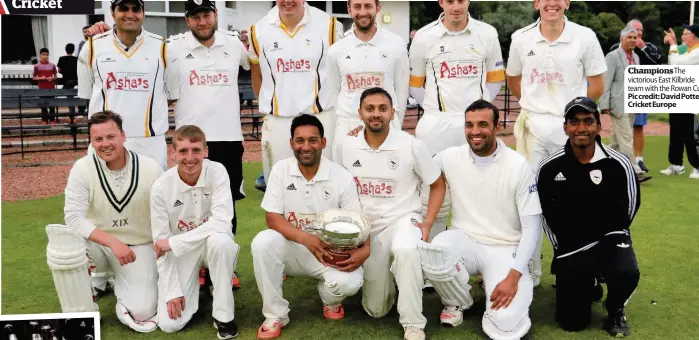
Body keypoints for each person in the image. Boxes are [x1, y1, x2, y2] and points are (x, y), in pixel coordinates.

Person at [416, 99, 541, 340]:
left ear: (497, 126)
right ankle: (458, 301)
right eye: (469, 125)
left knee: (505, 325)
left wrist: (514, 276)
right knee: (437, 249)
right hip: (466, 240)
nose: (475, 131)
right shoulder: (450, 156)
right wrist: (366, 132)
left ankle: (496, 287)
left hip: (505, 248)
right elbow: (416, 158)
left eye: (483, 124)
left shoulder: (518, 166)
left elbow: (532, 226)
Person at [506, 0, 607, 286]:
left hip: (572, 129)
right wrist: (537, 106)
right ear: (536, 3)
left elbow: (596, 84)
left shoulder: (584, 36)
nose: (552, 3)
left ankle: (581, 264)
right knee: (528, 198)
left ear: (567, 3)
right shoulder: (521, 38)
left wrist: (577, 118)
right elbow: (514, 80)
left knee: (580, 197)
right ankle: (529, 268)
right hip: (534, 128)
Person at [334, 87, 446, 340]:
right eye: (370, 109)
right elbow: (338, 187)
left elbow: (438, 184)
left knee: (406, 251)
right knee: (376, 310)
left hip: (403, 219)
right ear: (359, 113)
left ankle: (413, 323)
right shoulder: (346, 144)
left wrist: (427, 223)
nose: (376, 114)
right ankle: (395, 282)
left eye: (382, 109)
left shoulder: (411, 145)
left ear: (392, 113)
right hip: (366, 229)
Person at [251, 114, 364, 339]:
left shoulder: (342, 177)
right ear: (291, 143)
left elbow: (355, 224)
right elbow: (272, 218)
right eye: (300, 140)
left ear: (323, 142)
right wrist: (306, 238)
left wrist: (353, 248)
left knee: (350, 282)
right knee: (263, 242)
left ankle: (329, 298)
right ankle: (275, 314)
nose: (306, 146)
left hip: (328, 252)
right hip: (292, 249)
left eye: (312, 140)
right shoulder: (281, 170)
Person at [537, 96, 641, 337]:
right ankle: (589, 281)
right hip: (573, 244)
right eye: (574, 122)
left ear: (598, 126)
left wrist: (619, 237)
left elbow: (632, 205)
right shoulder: (549, 168)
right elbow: (546, 214)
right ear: (565, 127)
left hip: (610, 237)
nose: (581, 128)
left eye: (588, 121)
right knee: (571, 322)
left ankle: (615, 310)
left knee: (626, 272)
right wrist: (561, 250)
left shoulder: (619, 164)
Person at [408, 0, 506, 246]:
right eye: (449, 1)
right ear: (441, 2)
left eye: (460, 0)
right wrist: (438, 109)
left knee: (482, 191)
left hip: (475, 125)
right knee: (432, 192)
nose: (456, 6)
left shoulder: (487, 33)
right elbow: (415, 86)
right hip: (436, 124)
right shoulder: (424, 37)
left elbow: (495, 81)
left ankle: (485, 254)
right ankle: (432, 259)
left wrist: (476, 113)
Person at [63, 111, 162, 332]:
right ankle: (85, 303)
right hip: (99, 245)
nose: (105, 144)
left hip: (137, 247)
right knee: (67, 243)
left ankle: (120, 286)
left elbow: (163, 215)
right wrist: (113, 243)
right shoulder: (82, 168)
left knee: (142, 312)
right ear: (91, 141)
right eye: (98, 139)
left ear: (123, 136)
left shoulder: (150, 168)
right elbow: (73, 217)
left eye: (111, 137)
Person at [150, 125, 239, 339]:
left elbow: (223, 222)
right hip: (181, 253)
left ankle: (224, 316)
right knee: (170, 324)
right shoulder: (161, 188)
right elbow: (160, 246)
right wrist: (172, 291)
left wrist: (175, 243)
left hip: (211, 245)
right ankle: (197, 288)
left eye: (196, 150)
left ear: (206, 151)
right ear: (173, 154)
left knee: (222, 243)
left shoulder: (217, 171)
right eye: (183, 151)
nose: (190, 157)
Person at [248, 0, 345, 193]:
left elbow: (340, 72)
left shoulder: (330, 25)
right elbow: (257, 74)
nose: (288, 1)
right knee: (281, 188)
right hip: (278, 120)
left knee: (326, 187)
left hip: (321, 116)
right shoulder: (258, 30)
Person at [79, 0, 175, 171]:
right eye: (123, 9)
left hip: (149, 142)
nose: (130, 14)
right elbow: (88, 94)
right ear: (112, 12)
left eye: (136, 9)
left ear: (143, 12)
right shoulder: (92, 46)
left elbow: (170, 95)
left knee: (152, 196)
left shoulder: (163, 47)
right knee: (105, 196)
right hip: (106, 141)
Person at [327, 0, 409, 146]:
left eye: (368, 6)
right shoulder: (336, 50)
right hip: (348, 126)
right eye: (357, 7)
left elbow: (401, 92)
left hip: (385, 126)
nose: (363, 12)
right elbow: (334, 93)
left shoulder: (396, 45)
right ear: (349, 9)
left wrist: (394, 124)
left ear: (378, 7)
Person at [609, 19, 661, 173]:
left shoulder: (648, 47)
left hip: (640, 94)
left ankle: (638, 159)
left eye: (641, 30)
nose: (638, 33)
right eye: (635, 30)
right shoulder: (615, 49)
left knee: (637, 127)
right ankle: (633, 169)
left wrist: (643, 48)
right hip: (620, 97)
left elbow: (657, 65)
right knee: (623, 133)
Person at [599, 27, 651, 183]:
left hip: (632, 104)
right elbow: (606, 81)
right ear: (622, 39)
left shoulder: (636, 58)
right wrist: (604, 104)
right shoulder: (612, 56)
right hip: (618, 105)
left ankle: (604, 167)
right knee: (627, 138)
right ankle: (634, 172)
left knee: (616, 142)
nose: (633, 40)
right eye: (630, 37)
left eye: (635, 38)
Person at [661, 24, 699, 179]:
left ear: (694, 36)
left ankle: (697, 166)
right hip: (678, 95)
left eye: (685, 34)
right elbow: (673, 63)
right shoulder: (688, 52)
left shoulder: (697, 52)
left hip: (689, 97)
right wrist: (674, 45)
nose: (682, 37)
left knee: (689, 133)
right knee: (676, 131)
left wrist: (672, 44)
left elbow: (676, 64)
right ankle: (676, 164)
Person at [33, 47, 58, 124]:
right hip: (42, 88)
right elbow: (34, 77)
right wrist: (41, 77)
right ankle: (44, 120)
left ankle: (52, 120)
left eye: (47, 55)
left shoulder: (52, 65)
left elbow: (56, 76)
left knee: (52, 105)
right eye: (43, 54)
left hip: (51, 88)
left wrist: (52, 78)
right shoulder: (37, 66)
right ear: (40, 55)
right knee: (43, 105)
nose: (45, 56)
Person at [57, 43, 80, 117]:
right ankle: (73, 115)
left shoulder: (62, 58)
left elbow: (59, 70)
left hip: (67, 81)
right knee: (71, 97)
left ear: (65, 50)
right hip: (75, 81)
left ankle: (72, 115)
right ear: (73, 50)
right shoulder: (76, 59)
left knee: (69, 97)